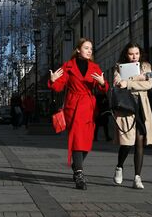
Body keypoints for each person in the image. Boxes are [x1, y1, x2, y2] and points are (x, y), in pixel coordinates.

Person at [48, 38, 108, 190]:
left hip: (89, 107)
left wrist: (102, 83)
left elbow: (103, 89)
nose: (89, 51)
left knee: (86, 142)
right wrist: (54, 80)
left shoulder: (94, 67)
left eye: (91, 49)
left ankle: (77, 164)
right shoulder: (68, 67)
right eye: (86, 47)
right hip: (73, 107)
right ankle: (79, 174)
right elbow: (59, 86)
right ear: (78, 49)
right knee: (76, 139)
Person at [112, 42, 152, 190]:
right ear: (126, 54)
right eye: (131, 54)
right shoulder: (119, 67)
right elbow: (117, 83)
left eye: (136, 53)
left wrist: (129, 81)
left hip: (142, 106)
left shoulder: (146, 66)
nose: (134, 57)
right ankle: (119, 166)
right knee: (127, 142)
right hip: (126, 106)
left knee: (140, 141)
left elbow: (149, 84)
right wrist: (138, 79)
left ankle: (137, 177)